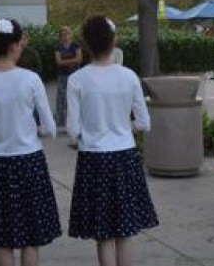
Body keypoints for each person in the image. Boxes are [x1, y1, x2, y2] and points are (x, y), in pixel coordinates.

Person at [0, 17, 60, 266]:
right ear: (15, 46)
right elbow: (50, 129)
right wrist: (31, 129)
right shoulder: (31, 80)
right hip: (29, 161)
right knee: (31, 236)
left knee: (2, 238)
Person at [67, 16, 157, 266]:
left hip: (93, 159)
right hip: (124, 156)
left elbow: (73, 132)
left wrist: (93, 131)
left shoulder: (77, 79)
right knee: (125, 232)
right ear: (113, 41)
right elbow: (144, 123)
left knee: (103, 234)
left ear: (86, 43)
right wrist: (121, 127)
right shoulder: (129, 76)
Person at [53, 26, 82, 126]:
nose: (65, 37)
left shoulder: (76, 45)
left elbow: (79, 60)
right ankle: (60, 121)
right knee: (61, 99)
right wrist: (73, 60)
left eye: (67, 34)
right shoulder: (58, 47)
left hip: (75, 76)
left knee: (73, 98)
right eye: (63, 35)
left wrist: (65, 61)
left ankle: (74, 121)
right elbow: (58, 62)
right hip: (62, 75)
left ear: (71, 35)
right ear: (60, 37)